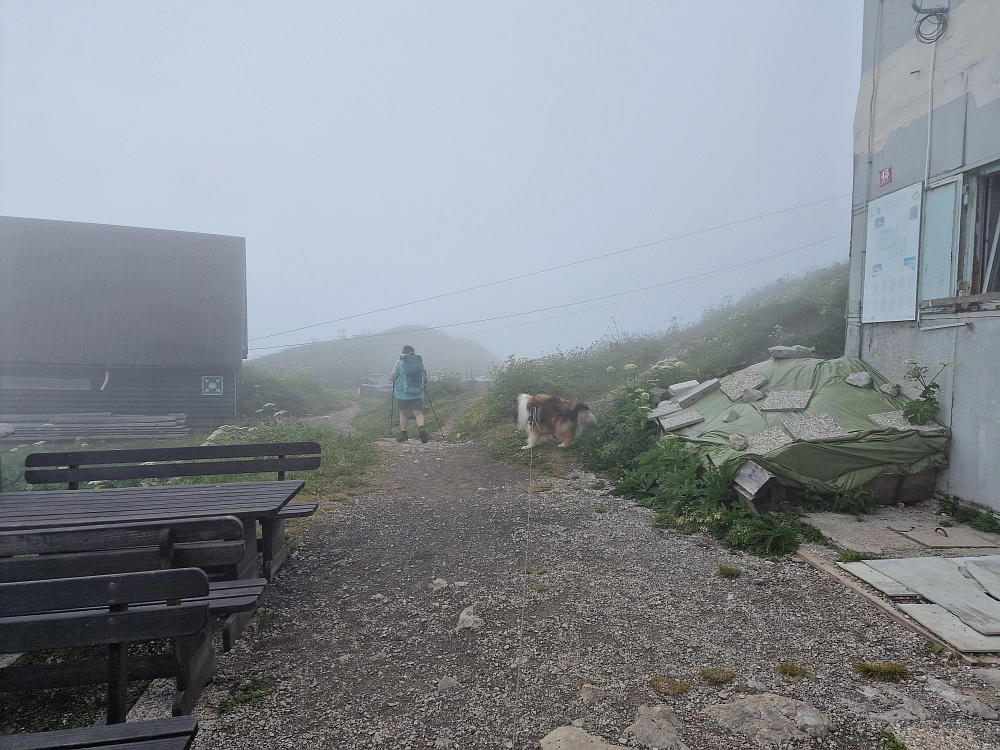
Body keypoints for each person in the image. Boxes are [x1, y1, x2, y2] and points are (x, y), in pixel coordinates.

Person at [390, 344, 428, 442]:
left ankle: (404, 434)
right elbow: (424, 375)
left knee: (403, 413)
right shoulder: (419, 362)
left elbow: (393, 376)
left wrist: (393, 379)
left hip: (403, 393)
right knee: (418, 413)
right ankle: (421, 427)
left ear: (403, 352)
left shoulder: (399, 362)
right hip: (418, 391)